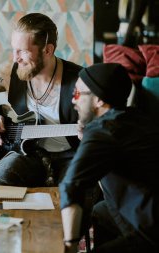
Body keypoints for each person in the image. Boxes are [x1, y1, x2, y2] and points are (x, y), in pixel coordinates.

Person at [0, 13, 82, 187]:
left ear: (48, 50)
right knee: (3, 174)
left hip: (71, 155)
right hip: (29, 153)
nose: (16, 58)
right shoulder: (11, 72)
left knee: (75, 190)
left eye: (23, 51)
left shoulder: (80, 81)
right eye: (13, 49)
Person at [60, 63, 159, 253]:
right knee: (99, 211)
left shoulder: (103, 132)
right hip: (146, 209)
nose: (73, 101)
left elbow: (71, 186)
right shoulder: (135, 118)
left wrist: (70, 245)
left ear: (98, 100)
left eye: (78, 94)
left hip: (149, 232)